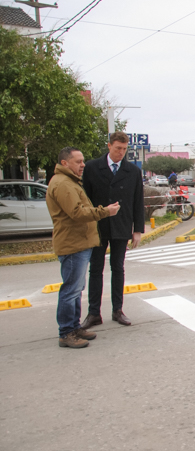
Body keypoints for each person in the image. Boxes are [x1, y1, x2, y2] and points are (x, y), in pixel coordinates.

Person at [46, 147, 120, 348]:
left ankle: (74, 327)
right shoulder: (63, 184)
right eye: (78, 161)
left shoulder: (69, 182)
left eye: (83, 161)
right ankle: (66, 333)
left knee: (76, 289)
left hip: (78, 242)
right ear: (64, 163)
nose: (82, 165)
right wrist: (106, 211)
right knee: (70, 290)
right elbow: (78, 213)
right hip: (72, 244)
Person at [80, 131, 145, 329]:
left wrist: (138, 230)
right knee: (95, 269)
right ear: (109, 146)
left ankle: (118, 310)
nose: (121, 153)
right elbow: (85, 198)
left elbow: (137, 201)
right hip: (98, 226)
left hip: (121, 225)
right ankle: (93, 313)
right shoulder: (92, 167)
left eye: (124, 149)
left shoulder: (132, 171)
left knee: (118, 268)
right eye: (118, 148)